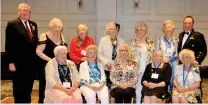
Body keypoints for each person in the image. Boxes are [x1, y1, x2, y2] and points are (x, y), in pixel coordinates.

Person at [5, 3, 39, 103]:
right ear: (18, 12)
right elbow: (9, 45)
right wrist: (10, 62)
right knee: (19, 89)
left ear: (30, 13)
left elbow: (35, 42)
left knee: (28, 88)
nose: (24, 12)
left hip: (31, 63)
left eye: (26, 10)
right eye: (22, 10)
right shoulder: (12, 24)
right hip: (18, 63)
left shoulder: (33, 25)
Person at [36, 18, 67, 103]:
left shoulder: (62, 36)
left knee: (57, 85)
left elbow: (63, 51)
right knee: (46, 85)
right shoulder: (44, 35)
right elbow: (38, 51)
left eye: (59, 27)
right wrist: (51, 61)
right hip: (45, 64)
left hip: (58, 65)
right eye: (55, 27)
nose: (57, 29)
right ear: (50, 27)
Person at [130, 22, 154, 103]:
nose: (139, 31)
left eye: (141, 30)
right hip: (136, 69)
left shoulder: (150, 41)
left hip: (147, 68)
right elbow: (130, 55)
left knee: (147, 88)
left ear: (145, 31)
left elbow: (153, 55)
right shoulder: (133, 41)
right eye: (137, 30)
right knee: (138, 88)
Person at [98, 22, 125, 88]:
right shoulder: (103, 40)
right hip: (106, 67)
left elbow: (124, 54)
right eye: (111, 29)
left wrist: (117, 64)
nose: (113, 31)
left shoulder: (121, 40)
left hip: (117, 67)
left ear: (117, 30)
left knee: (116, 86)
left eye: (114, 29)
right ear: (108, 31)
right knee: (106, 87)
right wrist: (107, 64)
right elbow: (99, 54)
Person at [156, 20, 178, 91]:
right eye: (166, 27)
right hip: (162, 64)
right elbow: (157, 52)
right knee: (163, 82)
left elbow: (177, 54)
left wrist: (168, 60)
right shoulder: (159, 40)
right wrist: (162, 59)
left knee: (173, 82)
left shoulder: (176, 40)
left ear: (172, 29)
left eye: (169, 27)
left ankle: (172, 99)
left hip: (173, 64)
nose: (168, 29)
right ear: (163, 29)